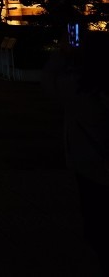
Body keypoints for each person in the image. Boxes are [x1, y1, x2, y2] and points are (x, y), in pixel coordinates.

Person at [42, 31, 109, 274]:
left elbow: (49, 80)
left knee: (96, 221)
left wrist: (64, 53)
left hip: (90, 165)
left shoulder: (79, 92)